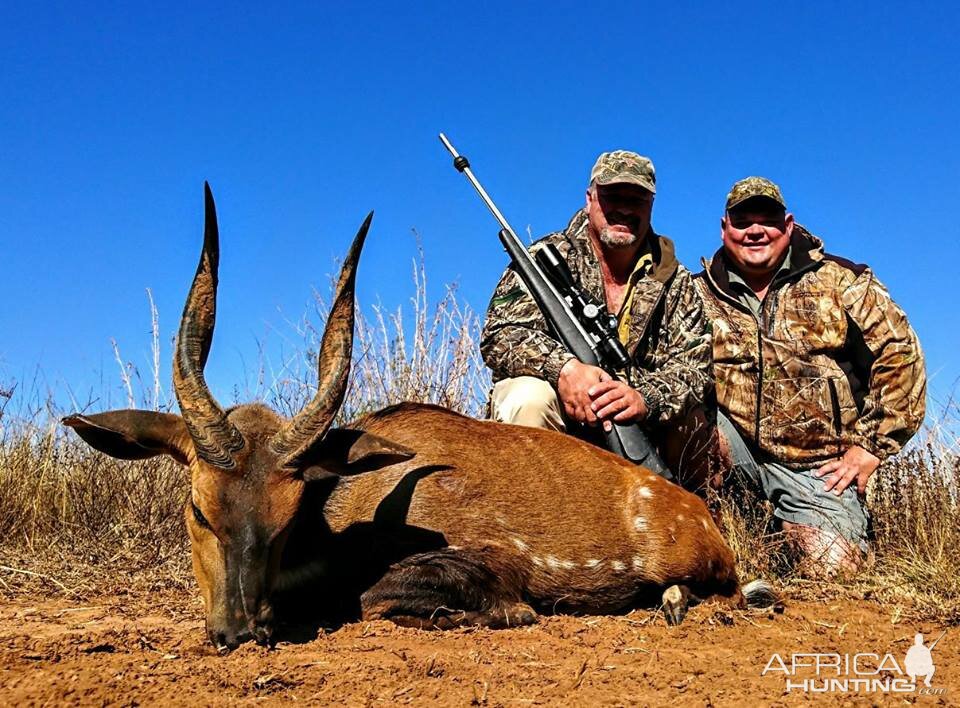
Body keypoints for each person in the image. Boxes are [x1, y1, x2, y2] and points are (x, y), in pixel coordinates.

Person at [695, 176, 926, 573]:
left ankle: (788, 528)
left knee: (834, 567)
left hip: (816, 467)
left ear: (787, 225)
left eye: (766, 220)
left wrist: (871, 446)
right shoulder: (697, 292)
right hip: (730, 454)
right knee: (687, 421)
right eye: (741, 220)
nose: (754, 230)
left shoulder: (840, 280)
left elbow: (899, 354)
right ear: (724, 228)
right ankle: (711, 528)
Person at [481, 151, 714, 486]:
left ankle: (697, 522)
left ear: (651, 205)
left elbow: (695, 370)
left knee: (695, 420)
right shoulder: (545, 260)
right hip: (563, 412)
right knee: (527, 397)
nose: (624, 209)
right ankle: (533, 524)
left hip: (638, 425)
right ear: (590, 199)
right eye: (612, 197)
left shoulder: (674, 279)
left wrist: (644, 398)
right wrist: (564, 370)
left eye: (637, 199)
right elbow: (499, 334)